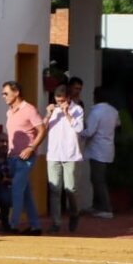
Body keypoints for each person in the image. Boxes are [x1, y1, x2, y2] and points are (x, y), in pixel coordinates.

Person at [2, 80, 44, 235]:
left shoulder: (29, 110)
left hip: (26, 157)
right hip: (13, 156)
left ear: (16, 92)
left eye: (6, 93)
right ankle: (35, 226)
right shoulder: (9, 112)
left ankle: (13, 225)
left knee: (17, 190)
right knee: (26, 193)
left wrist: (31, 147)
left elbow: (42, 130)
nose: (3, 96)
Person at [44, 83, 84, 233]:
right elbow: (41, 128)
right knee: (55, 190)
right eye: (57, 101)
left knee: (71, 189)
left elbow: (79, 129)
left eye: (62, 101)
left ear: (68, 98)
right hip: (53, 154)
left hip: (71, 154)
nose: (59, 104)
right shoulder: (53, 111)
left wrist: (67, 113)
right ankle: (56, 223)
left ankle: (74, 213)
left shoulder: (77, 110)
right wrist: (48, 114)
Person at [78, 86, 118, 219]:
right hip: (108, 148)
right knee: (97, 179)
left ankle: (106, 208)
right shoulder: (113, 111)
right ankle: (97, 206)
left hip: (97, 150)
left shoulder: (96, 112)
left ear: (96, 96)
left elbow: (89, 132)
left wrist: (77, 132)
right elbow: (118, 125)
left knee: (98, 180)